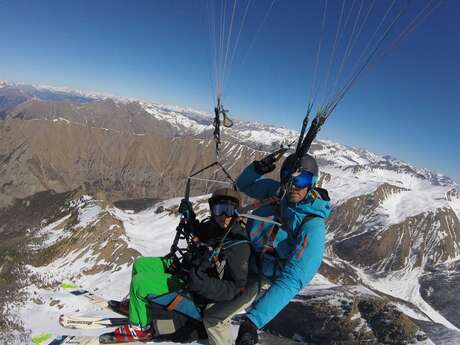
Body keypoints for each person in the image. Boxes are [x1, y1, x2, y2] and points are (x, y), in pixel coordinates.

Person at [103, 188, 255, 344]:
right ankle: (138, 308)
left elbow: (235, 288)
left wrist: (202, 284)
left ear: (237, 212)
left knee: (140, 283)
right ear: (212, 209)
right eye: (219, 209)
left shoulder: (238, 245)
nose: (224, 216)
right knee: (141, 265)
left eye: (229, 210)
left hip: (196, 290)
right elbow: (198, 232)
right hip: (187, 271)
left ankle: (140, 329)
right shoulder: (214, 228)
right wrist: (190, 216)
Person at [234, 153, 332, 345]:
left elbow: (294, 278)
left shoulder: (312, 226)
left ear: (312, 182)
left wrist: (252, 322)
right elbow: (244, 186)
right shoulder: (278, 192)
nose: (294, 185)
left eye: (302, 179)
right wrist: (256, 169)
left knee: (214, 315)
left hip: (258, 273)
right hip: (242, 252)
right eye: (290, 177)